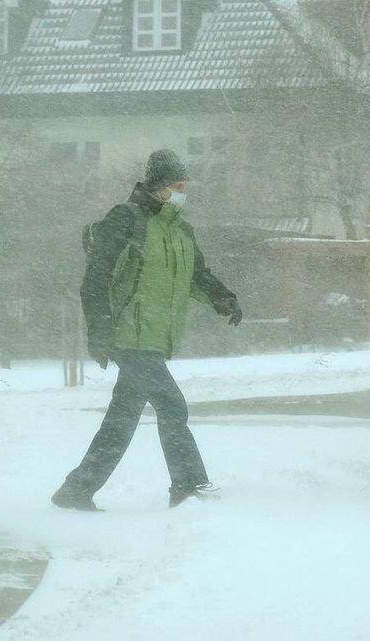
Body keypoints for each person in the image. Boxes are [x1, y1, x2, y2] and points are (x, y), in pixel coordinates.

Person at [52, 149, 243, 511]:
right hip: (127, 335)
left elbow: (195, 276)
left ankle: (77, 490)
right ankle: (187, 485)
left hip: (154, 339)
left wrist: (223, 298)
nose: (182, 192)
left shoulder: (181, 230)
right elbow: (96, 278)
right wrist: (100, 330)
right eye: (176, 186)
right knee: (172, 405)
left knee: (122, 418)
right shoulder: (127, 219)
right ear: (157, 187)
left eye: (185, 186)